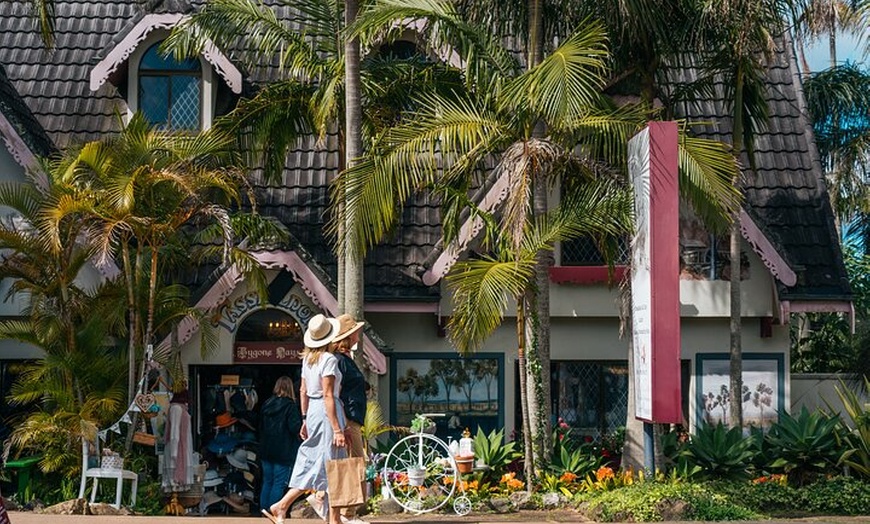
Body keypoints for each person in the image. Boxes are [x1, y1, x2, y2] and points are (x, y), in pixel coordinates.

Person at [262, 314, 346, 524]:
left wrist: (305, 419)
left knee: (320, 461)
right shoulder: (328, 359)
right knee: (330, 464)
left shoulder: (308, 360)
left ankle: (330, 517)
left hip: (315, 411)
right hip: (328, 411)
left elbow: (303, 390)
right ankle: (283, 504)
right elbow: (328, 394)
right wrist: (337, 429)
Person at [330, 314, 367, 524]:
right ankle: (346, 512)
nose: (358, 336)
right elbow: (336, 392)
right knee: (354, 464)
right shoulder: (339, 361)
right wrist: (342, 422)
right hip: (349, 418)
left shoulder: (346, 359)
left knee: (353, 463)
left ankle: (346, 510)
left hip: (353, 416)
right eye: (354, 332)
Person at [258, 376, 303, 512]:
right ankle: (275, 510)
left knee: (267, 481)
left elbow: (260, 427)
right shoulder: (291, 406)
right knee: (278, 483)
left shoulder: (266, 404)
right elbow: (294, 427)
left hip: (266, 449)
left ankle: (263, 510)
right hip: (284, 449)